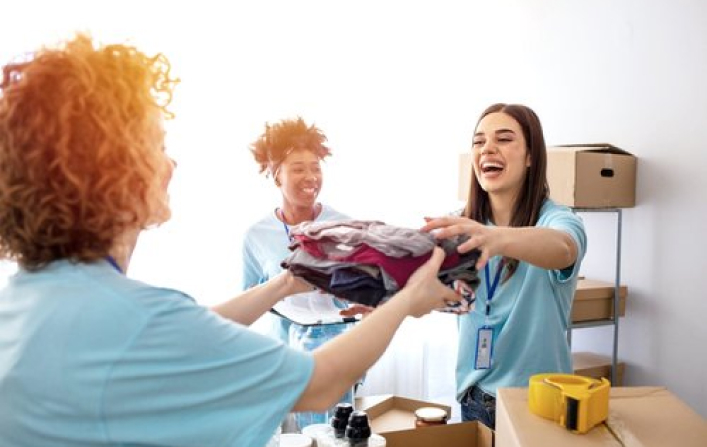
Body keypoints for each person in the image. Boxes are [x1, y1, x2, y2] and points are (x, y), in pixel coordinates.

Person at [0, 34, 461, 447]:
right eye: (157, 146)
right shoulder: (139, 315)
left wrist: (285, 284)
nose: (172, 164)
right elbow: (319, 383)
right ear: (111, 171)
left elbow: (191, 328)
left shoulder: (26, 301)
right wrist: (408, 300)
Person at [422, 103, 587, 429]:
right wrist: (380, 295)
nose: (488, 149)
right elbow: (422, 280)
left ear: (530, 156)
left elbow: (564, 248)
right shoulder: (460, 224)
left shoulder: (557, 219)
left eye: (504, 138)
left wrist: (496, 237)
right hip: (475, 398)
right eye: (479, 141)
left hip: (538, 404)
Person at [243, 117, 361, 430]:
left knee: (339, 436)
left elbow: (365, 291)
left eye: (315, 167)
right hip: (288, 359)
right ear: (275, 174)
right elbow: (248, 300)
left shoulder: (345, 226)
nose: (310, 176)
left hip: (339, 358)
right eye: (298, 168)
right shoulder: (257, 236)